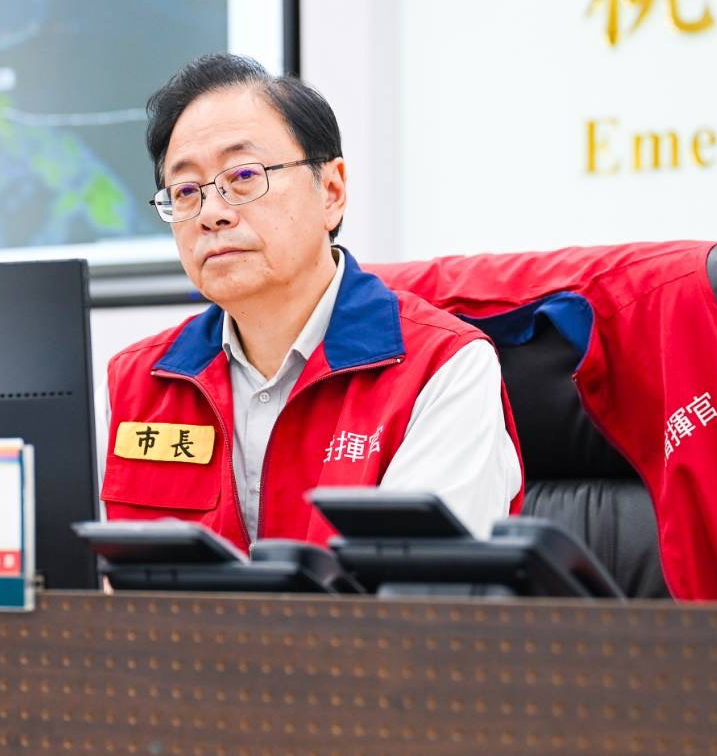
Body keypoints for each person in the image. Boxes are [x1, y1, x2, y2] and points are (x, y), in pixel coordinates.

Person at [101, 54, 521, 547]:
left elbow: (417, 584)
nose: (211, 213)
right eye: (187, 190)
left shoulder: (443, 367)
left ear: (332, 192)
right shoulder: (135, 383)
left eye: (243, 176)